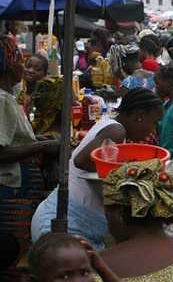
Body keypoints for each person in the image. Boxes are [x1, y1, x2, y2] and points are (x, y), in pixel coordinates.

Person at [32, 88, 164, 248]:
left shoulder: (111, 126)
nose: (153, 130)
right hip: (62, 227)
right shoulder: (116, 131)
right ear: (139, 115)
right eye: (154, 122)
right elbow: (80, 161)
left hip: (67, 223)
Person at [0, 35, 59, 282]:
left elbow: (15, 140)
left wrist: (36, 142)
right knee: (11, 263)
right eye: (19, 61)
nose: (22, 68)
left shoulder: (8, 98)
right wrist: (44, 146)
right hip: (10, 193)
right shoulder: (3, 100)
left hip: (17, 191)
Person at [16, 52, 64, 137]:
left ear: (45, 74)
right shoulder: (22, 91)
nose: (30, 71)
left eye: (37, 69)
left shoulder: (49, 91)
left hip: (46, 136)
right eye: (28, 66)